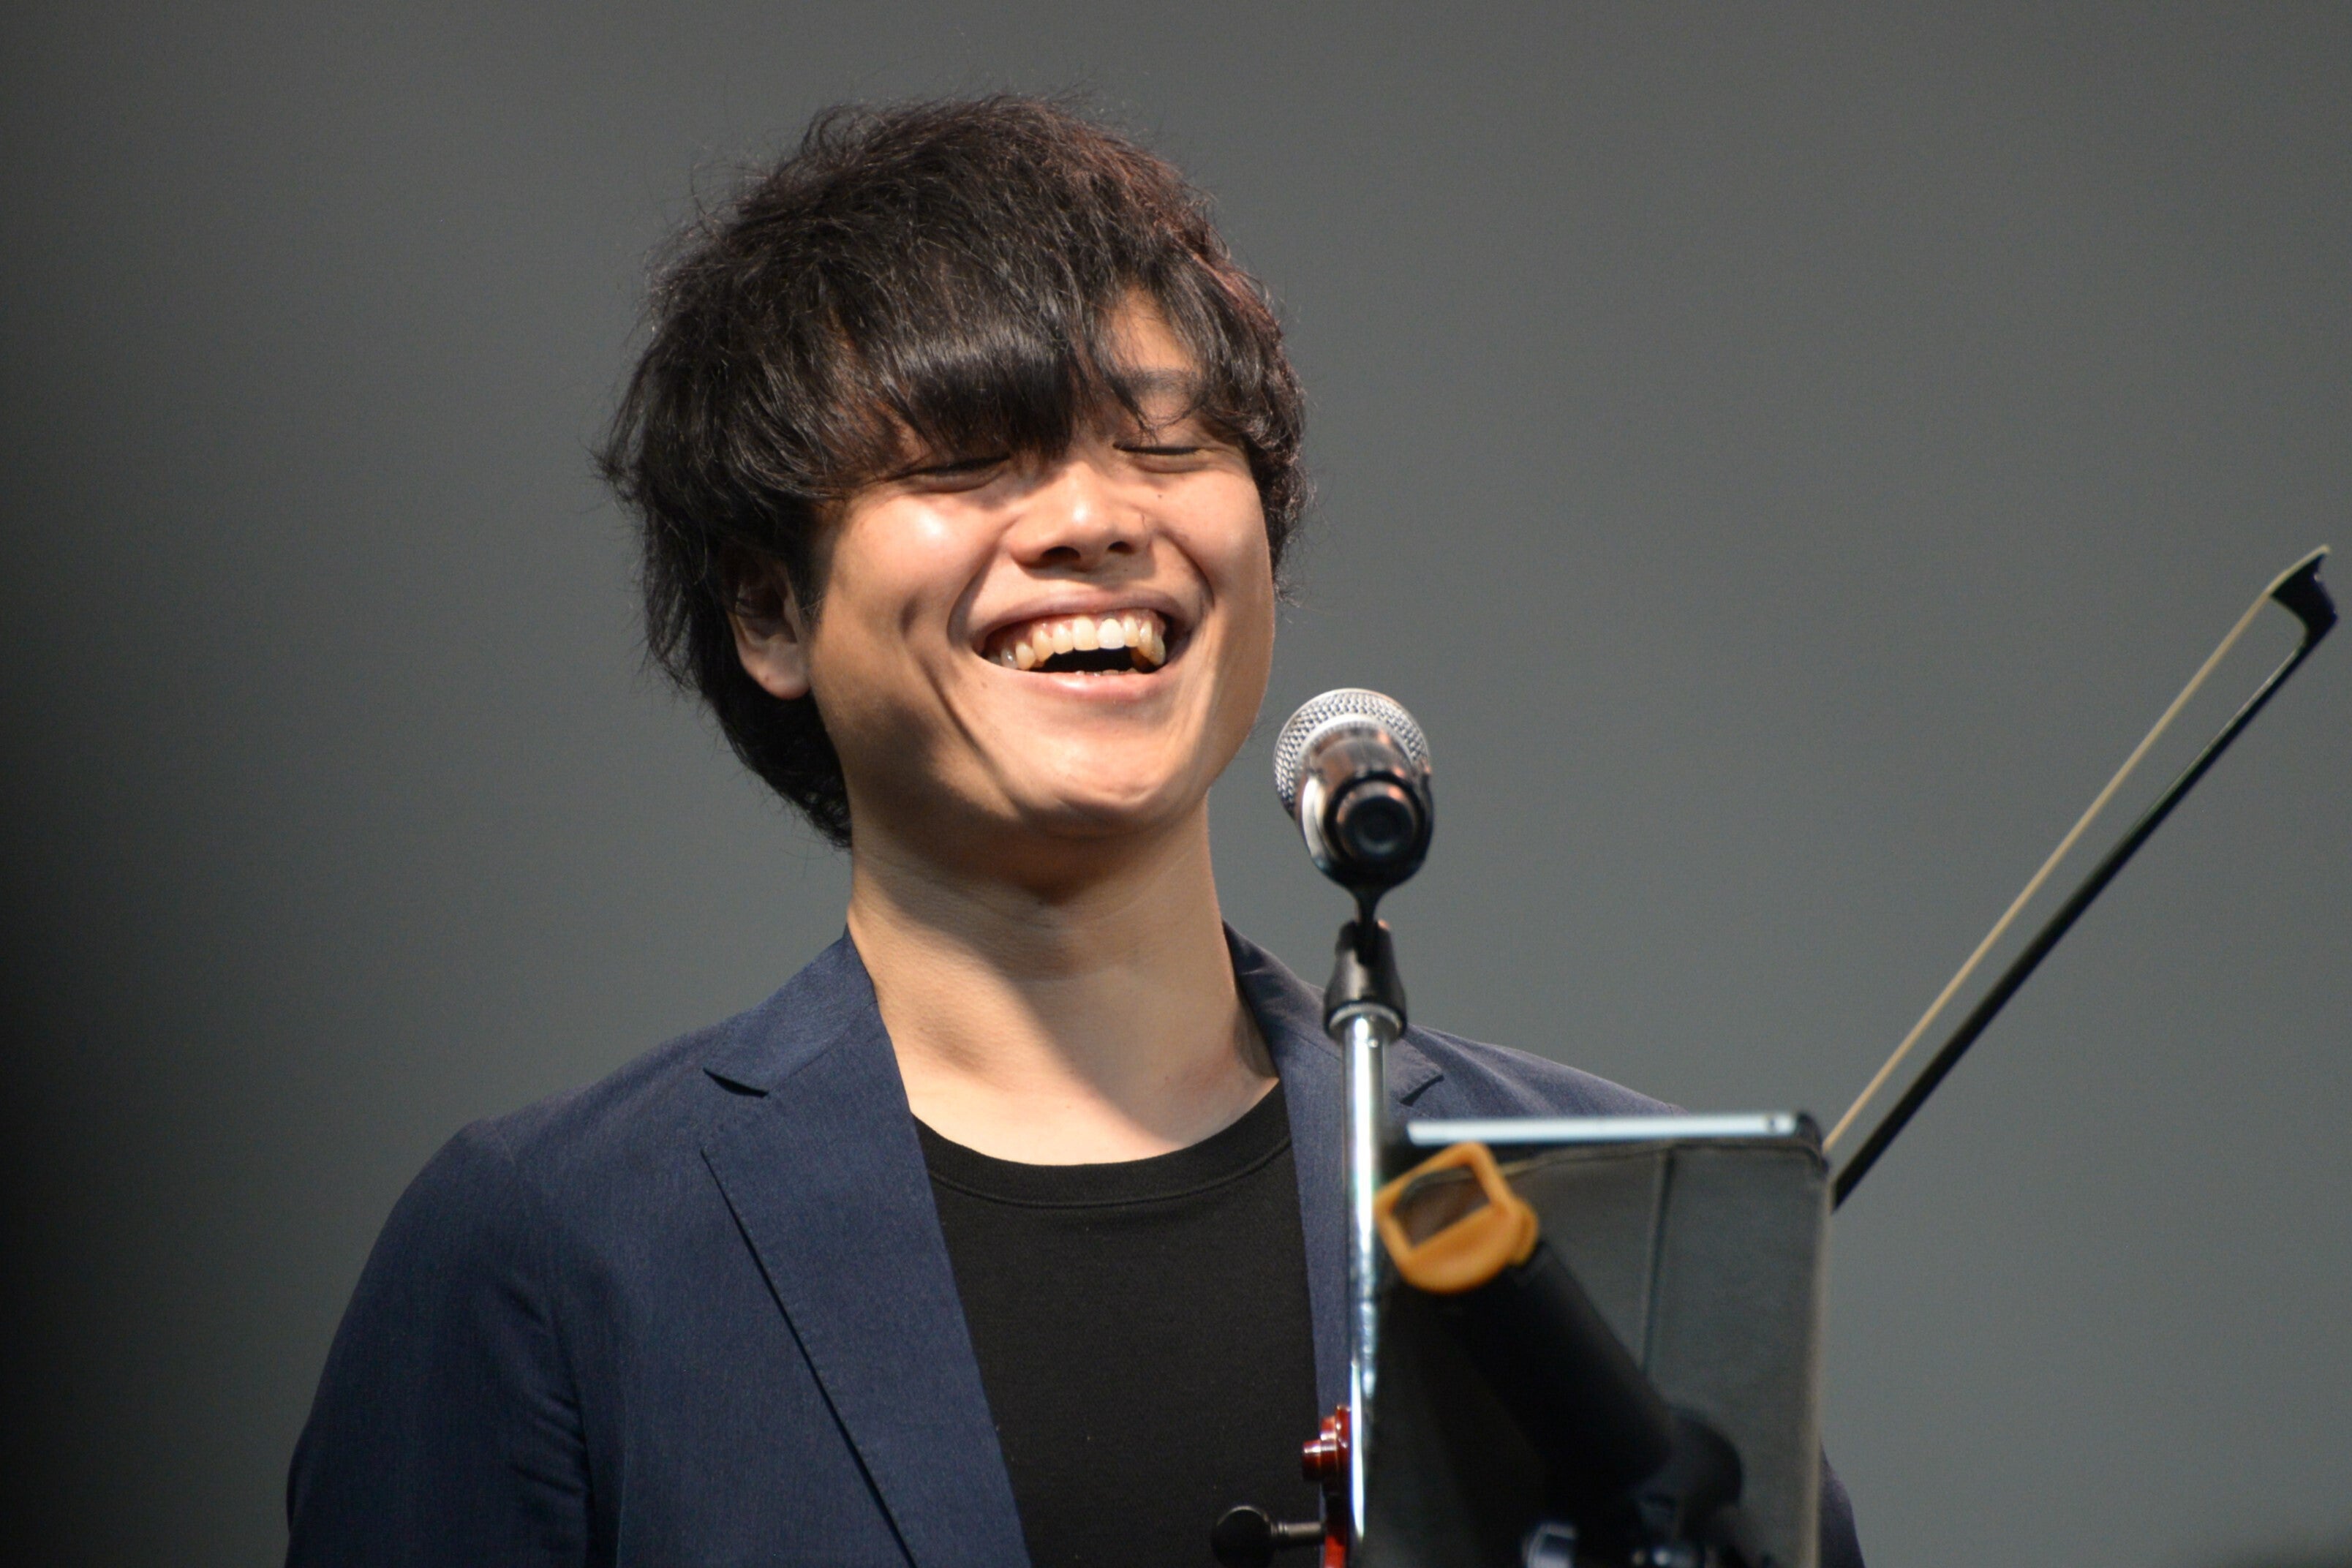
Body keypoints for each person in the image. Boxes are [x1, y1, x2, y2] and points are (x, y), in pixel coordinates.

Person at [286, 97, 1864, 1567]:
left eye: (1167, 443)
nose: (1100, 518)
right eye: (966, 458)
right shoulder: (557, 1250)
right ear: (770, 607)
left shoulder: (1593, 1211)